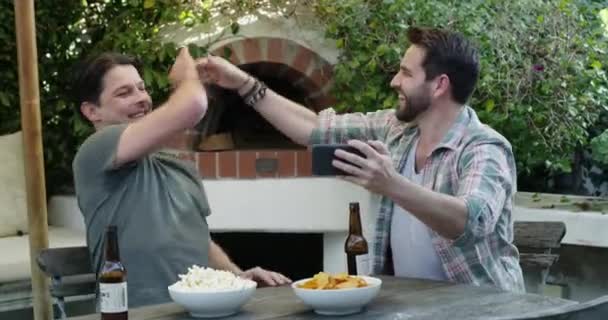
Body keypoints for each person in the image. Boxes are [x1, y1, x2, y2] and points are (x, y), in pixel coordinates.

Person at [196, 27, 525, 292]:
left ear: (439, 85)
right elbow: (314, 129)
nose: (395, 81)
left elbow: (471, 222)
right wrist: (242, 83)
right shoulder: (395, 129)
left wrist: (392, 184)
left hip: (483, 309)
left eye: (406, 73)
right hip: (410, 306)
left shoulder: (484, 148)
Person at [71, 48, 291, 308]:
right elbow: (192, 105)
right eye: (124, 92)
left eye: (142, 88)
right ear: (92, 111)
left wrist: (238, 276)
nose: (141, 98)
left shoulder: (179, 166)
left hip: (199, 310)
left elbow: (200, 243)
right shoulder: (94, 152)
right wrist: (186, 71)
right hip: (133, 313)